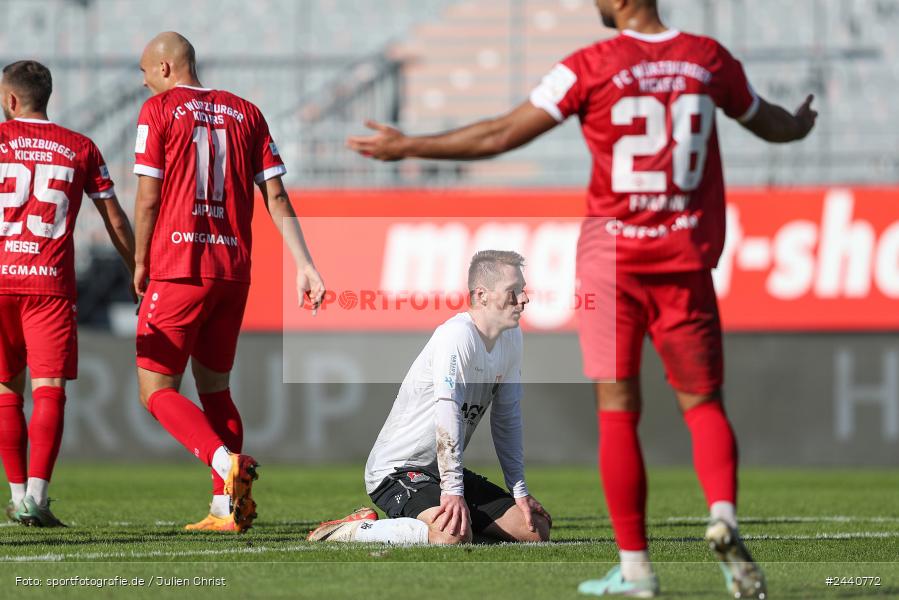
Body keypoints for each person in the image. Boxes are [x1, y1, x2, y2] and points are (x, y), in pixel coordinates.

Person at [347, 0, 816, 595]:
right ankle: (722, 514)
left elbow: (498, 134)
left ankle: (637, 568)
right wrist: (799, 125)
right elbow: (771, 123)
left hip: (613, 262)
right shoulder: (707, 58)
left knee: (619, 411)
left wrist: (411, 145)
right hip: (684, 257)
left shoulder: (589, 64)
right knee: (703, 405)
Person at [132, 32, 325, 533]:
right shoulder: (248, 112)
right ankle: (226, 510)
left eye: (146, 71)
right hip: (233, 271)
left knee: (155, 389)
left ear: (168, 68)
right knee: (215, 389)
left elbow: (149, 198)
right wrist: (305, 264)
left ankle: (225, 464)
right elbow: (276, 197)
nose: (144, 81)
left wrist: (139, 261)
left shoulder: (158, 111)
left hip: (178, 266)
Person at [308, 251, 551, 545]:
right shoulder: (457, 336)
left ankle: (447, 529)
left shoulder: (512, 338)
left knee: (535, 529)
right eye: (513, 291)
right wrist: (453, 490)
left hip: (439, 469)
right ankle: (358, 530)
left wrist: (519, 490)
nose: (524, 299)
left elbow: (507, 418)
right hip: (397, 469)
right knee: (451, 537)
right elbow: (446, 416)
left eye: (523, 290)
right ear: (482, 295)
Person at [0, 60, 135, 527]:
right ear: (46, 97)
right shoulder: (80, 147)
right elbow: (115, 219)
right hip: (49, 284)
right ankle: (38, 496)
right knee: (49, 389)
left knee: (5, 390)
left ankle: (17, 497)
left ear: (11, 100)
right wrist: (138, 266)